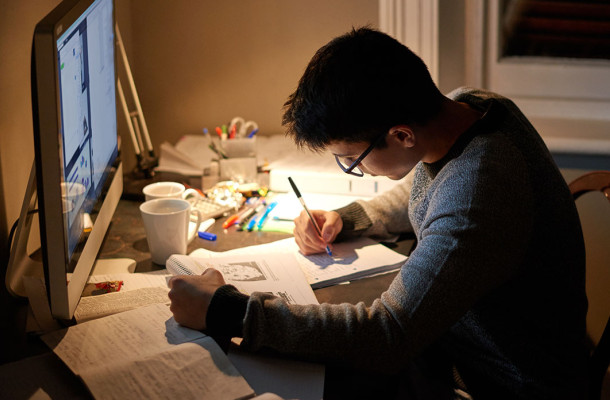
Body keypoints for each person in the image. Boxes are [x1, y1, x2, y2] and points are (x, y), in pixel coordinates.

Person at [168, 27, 588, 399]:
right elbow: (428, 188)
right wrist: (349, 217)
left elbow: (388, 335)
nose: (355, 169)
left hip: (500, 380)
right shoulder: (468, 107)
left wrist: (229, 311)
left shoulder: (479, 189)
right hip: (457, 342)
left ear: (401, 134)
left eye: (352, 159)